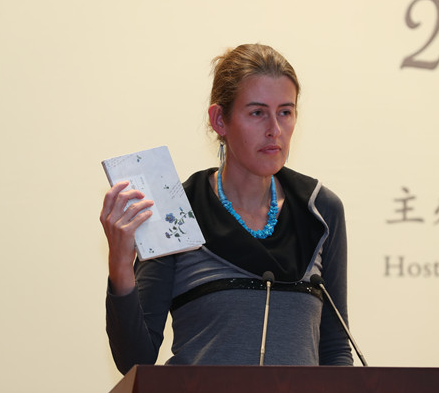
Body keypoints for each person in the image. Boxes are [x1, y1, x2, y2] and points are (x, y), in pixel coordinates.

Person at [101, 43, 353, 374]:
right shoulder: (177, 211)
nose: (274, 130)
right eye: (257, 113)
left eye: (285, 112)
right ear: (220, 119)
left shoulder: (320, 210)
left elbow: (335, 347)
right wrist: (120, 264)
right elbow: (135, 360)